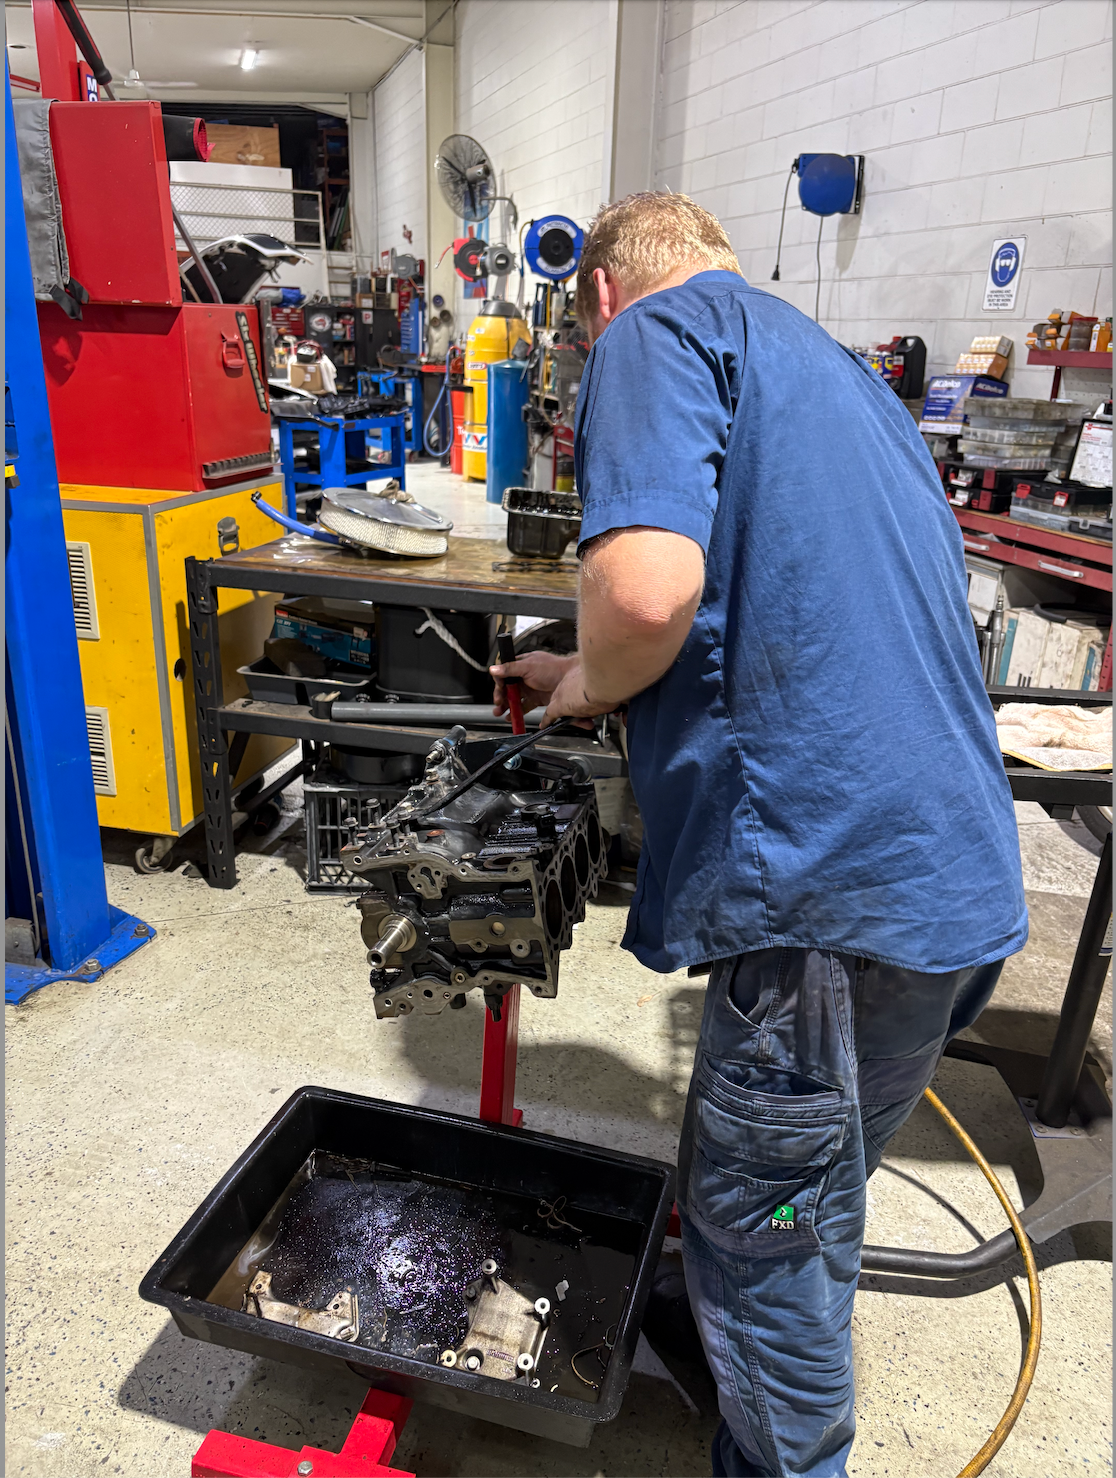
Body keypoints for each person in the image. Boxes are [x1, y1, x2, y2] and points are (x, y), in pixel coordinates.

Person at [490, 192, 1026, 1478]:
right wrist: (592, 657)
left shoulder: (651, 333)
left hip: (822, 902)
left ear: (606, 292)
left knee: (762, 1237)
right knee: (801, 1189)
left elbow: (649, 587)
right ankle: (717, 1332)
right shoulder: (840, 377)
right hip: (946, 888)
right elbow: (775, 603)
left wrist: (586, 681)